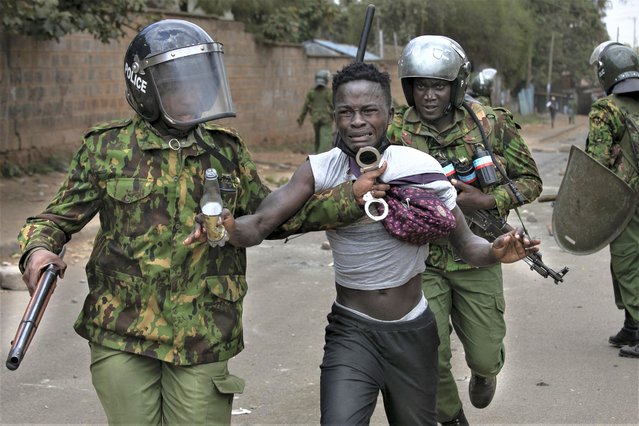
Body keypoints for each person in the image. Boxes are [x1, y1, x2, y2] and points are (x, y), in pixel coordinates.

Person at [16, 19, 376, 425]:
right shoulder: (106, 148)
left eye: (197, 83)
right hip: (121, 328)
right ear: (145, 88)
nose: (192, 94)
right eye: (176, 84)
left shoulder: (225, 149)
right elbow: (54, 219)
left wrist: (351, 196)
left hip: (203, 330)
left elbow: (269, 217)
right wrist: (39, 248)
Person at [196, 62, 539, 425]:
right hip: (351, 330)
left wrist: (496, 252)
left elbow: (467, 246)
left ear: (389, 115)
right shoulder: (321, 169)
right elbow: (261, 223)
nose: (356, 121)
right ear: (334, 117)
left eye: (368, 111)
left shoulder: (419, 167)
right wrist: (225, 228)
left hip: (412, 331)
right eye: (346, 112)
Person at [387, 35, 543, 425]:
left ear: (456, 86)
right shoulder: (391, 129)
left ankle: (484, 373)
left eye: (439, 85)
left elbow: (530, 181)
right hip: (421, 260)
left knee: (486, 352)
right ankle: (452, 417)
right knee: (428, 351)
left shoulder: (490, 123)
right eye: (421, 85)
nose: (429, 96)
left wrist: (487, 201)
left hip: (479, 258)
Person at [586, 41, 639, 358]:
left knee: (626, 262)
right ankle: (632, 324)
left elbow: (596, 162)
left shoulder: (606, 109)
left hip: (626, 201)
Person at [297, 69, 334, 153]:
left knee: (318, 138)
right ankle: (322, 156)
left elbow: (305, 107)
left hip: (315, 118)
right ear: (325, 80)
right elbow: (333, 106)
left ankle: (317, 154)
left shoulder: (311, 92)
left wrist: (301, 119)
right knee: (325, 138)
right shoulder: (328, 92)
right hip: (326, 119)